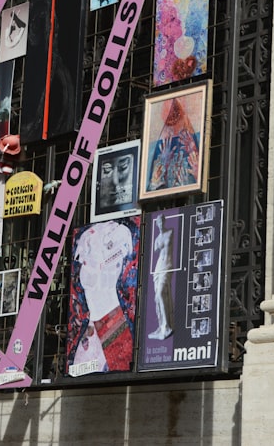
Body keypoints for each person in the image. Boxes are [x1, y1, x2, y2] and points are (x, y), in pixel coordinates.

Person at [73, 221, 135, 371]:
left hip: (109, 324)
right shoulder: (92, 330)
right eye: (84, 262)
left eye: (88, 261)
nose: (84, 265)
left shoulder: (118, 339)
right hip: (98, 324)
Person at [147, 97, 201, 191]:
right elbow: (152, 188)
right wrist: (155, 181)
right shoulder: (160, 145)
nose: (172, 131)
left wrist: (198, 174)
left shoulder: (193, 140)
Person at [149, 217, 174, 340]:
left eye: (161, 221)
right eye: (158, 222)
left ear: (164, 221)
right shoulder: (157, 239)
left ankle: (167, 326)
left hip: (166, 265)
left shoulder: (170, 232)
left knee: (160, 294)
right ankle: (161, 326)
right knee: (156, 298)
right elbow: (154, 251)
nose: (159, 224)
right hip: (158, 268)